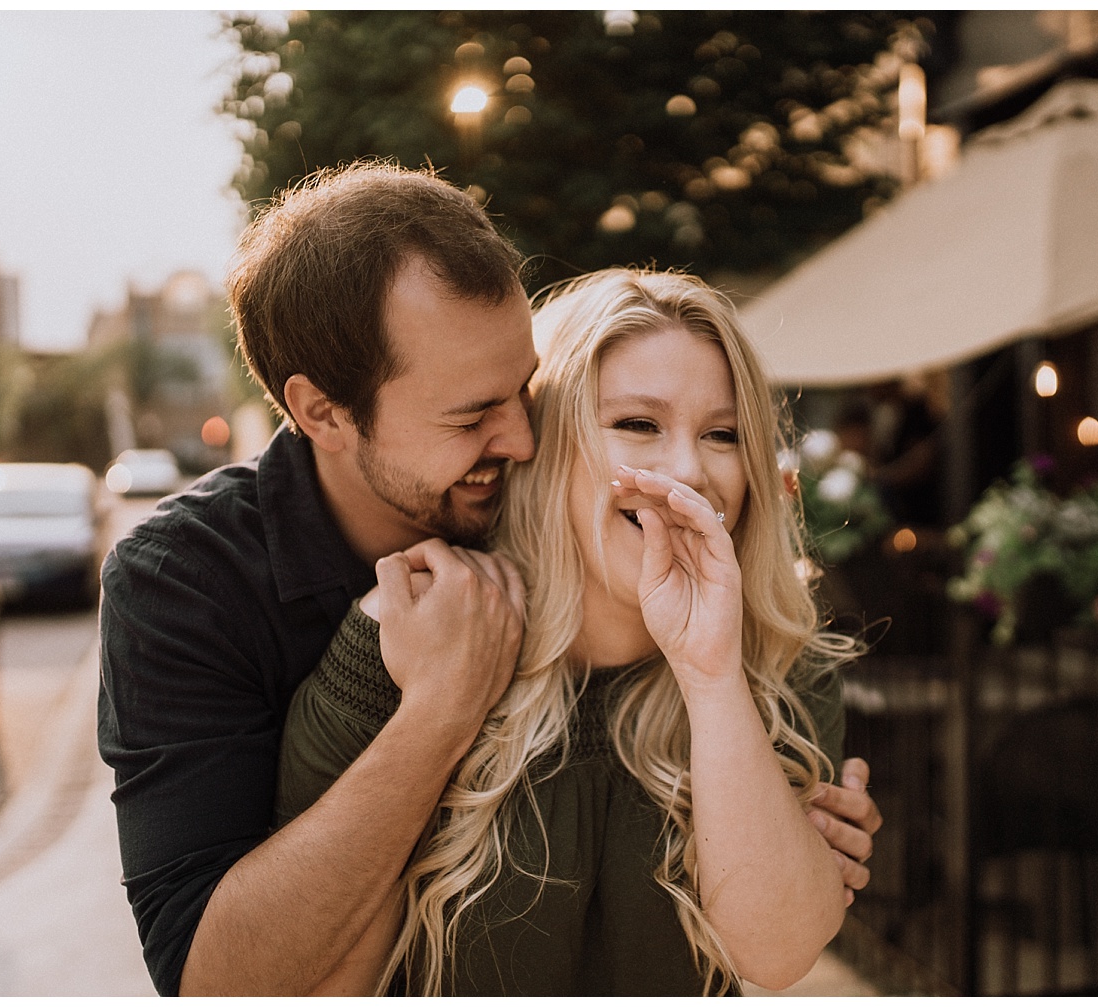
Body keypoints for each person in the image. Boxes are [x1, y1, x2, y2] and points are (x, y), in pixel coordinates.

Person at [97, 162, 882, 996]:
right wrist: (438, 711)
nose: (521, 439)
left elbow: (775, 950)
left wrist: (724, 698)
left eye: (526, 391)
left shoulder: (763, 647)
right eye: (474, 414)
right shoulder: (197, 586)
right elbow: (231, 985)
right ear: (322, 412)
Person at [275, 268, 865, 995]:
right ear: (549, 444)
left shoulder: (783, 667)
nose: (687, 471)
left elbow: (775, 956)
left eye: (723, 434)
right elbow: (311, 976)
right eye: (637, 425)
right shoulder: (405, 637)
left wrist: (709, 671)